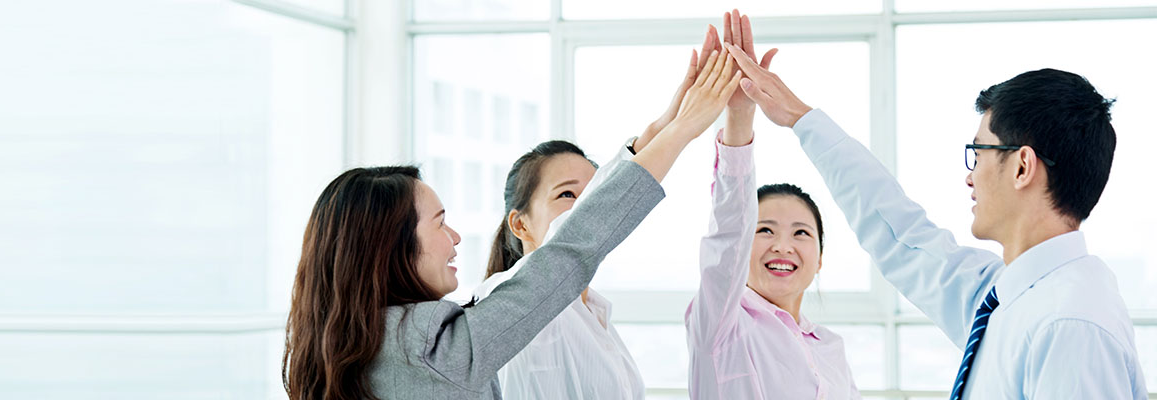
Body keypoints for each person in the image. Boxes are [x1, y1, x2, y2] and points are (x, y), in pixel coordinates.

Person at [281, 48, 744, 399]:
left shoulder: (351, 348)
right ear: (391, 247)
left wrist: (668, 122)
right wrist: (684, 128)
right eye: (440, 224)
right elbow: (571, 249)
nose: (456, 237)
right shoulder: (432, 348)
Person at [725, 37, 1147, 398]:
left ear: (1021, 167)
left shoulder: (1071, 325)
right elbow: (900, 234)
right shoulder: (1002, 293)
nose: (970, 176)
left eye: (978, 153)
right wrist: (801, 119)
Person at [469, 25, 733, 400]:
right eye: (566, 195)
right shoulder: (508, 301)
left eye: (591, 194)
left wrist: (665, 123)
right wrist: (683, 128)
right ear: (520, 223)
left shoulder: (591, 312)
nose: (587, 209)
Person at [684, 10, 861, 400]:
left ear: (820, 257)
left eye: (801, 233)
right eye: (764, 230)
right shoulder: (722, 325)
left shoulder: (829, 346)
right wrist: (740, 117)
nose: (783, 246)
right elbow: (727, 231)